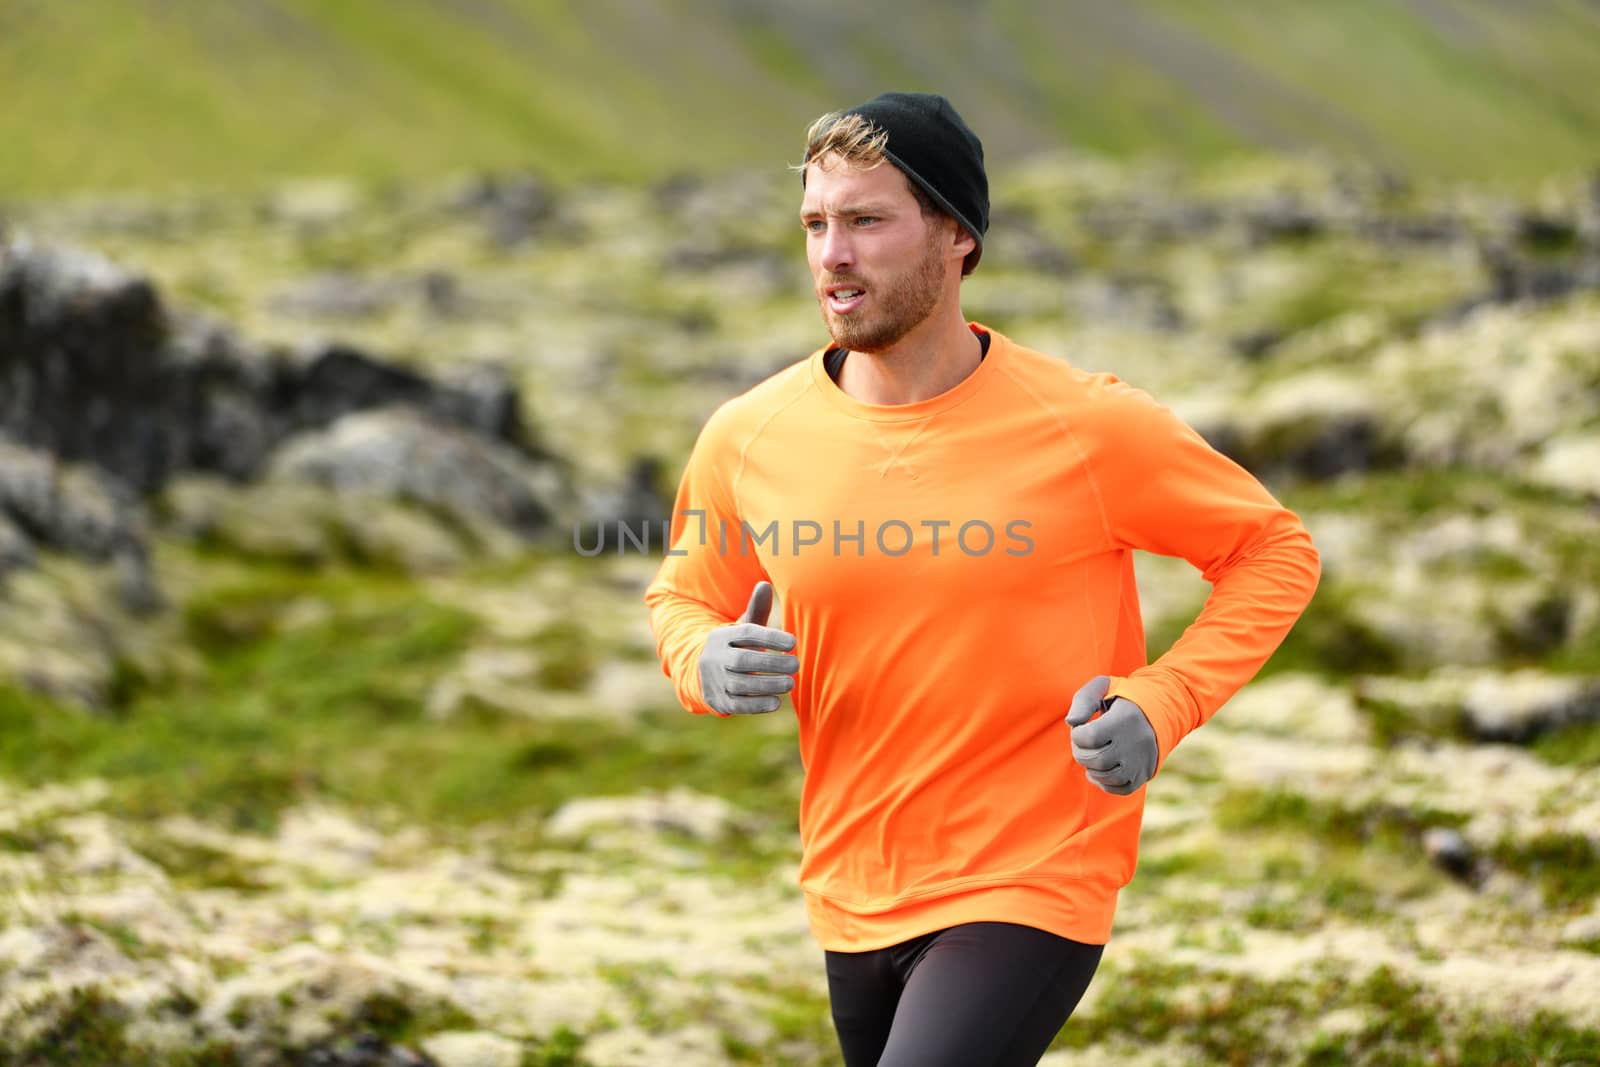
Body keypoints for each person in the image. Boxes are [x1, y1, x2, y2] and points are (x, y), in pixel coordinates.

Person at [642, 91, 1321, 1066]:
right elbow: (682, 594)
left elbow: (1272, 549)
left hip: (1031, 875)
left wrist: (1164, 699)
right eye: (816, 224)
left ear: (956, 234)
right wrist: (701, 659)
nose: (832, 253)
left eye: (867, 220)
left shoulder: (1086, 426)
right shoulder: (748, 433)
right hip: (851, 881)